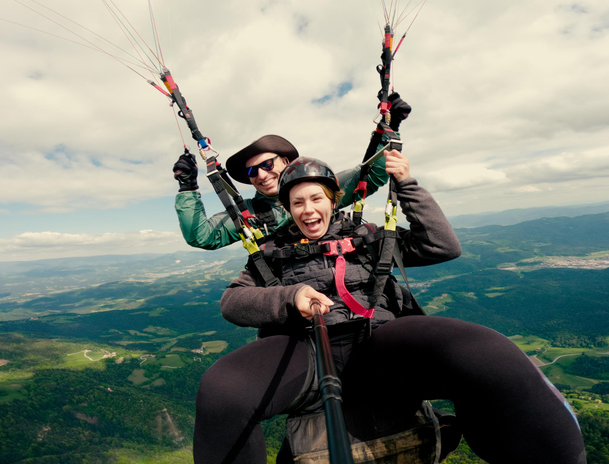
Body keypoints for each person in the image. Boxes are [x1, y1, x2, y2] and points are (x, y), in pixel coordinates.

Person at [193, 151, 587, 464]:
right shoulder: (271, 255)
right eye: (297, 202)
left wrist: (407, 183)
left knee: (489, 353)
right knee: (221, 392)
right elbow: (233, 302)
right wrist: (288, 297)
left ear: (332, 200)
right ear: (289, 208)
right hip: (308, 351)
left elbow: (441, 246)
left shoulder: (369, 237)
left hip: (380, 343)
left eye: (316, 198)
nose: (308, 210)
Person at [173, 94, 411, 250]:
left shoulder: (319, 189)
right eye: (253, 172)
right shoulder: (249, 214)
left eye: (267, 165)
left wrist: (390, 129)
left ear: (285, 161)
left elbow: (370, 175)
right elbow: (201, 236)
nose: (262, 175)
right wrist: (187, 187)